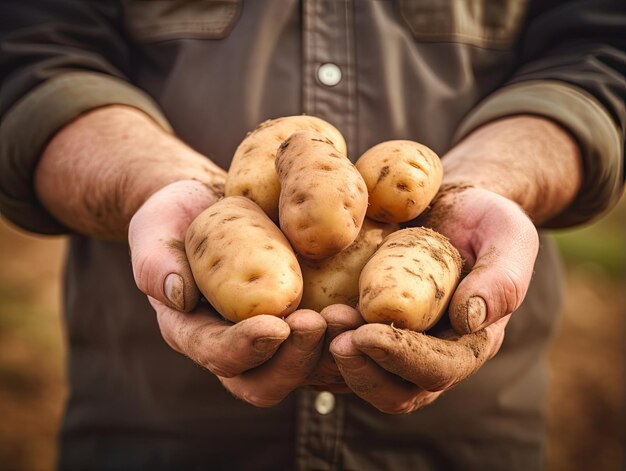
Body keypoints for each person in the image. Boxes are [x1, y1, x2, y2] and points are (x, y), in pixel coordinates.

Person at [0, 1, 624, 469]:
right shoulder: (256, 198)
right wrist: (152, 184)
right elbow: (29, 54)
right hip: (152, 434)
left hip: (465, 445)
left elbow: (603, 51)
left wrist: (495, 180)